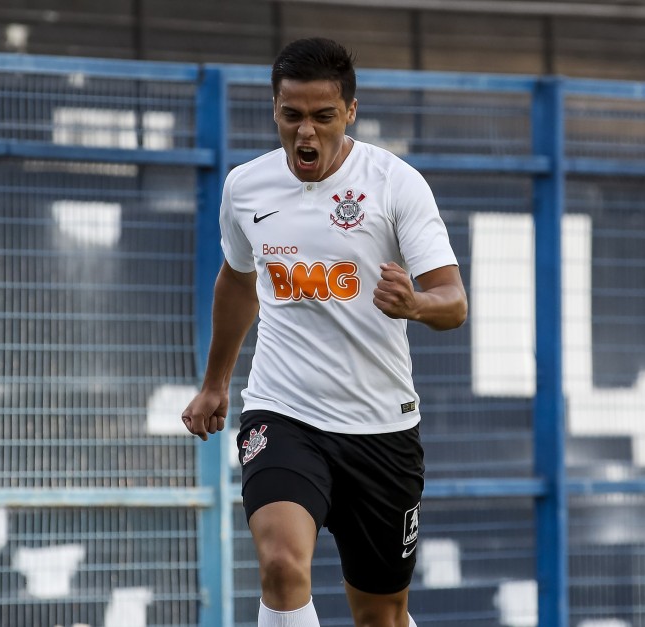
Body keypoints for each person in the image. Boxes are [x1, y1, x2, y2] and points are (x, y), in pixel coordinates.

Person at [181, 37, 467, 627]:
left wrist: (414, 304)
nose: (305, 132)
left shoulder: (395, 184)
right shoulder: (246, 187)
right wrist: (215, 384)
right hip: (284, 412)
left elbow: (453, 302)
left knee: (380, 615)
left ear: (351, 113)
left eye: (322, 117)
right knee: (282, 564)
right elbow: (237, 283)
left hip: (381, 427)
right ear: (275, 112)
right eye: (292, 116)